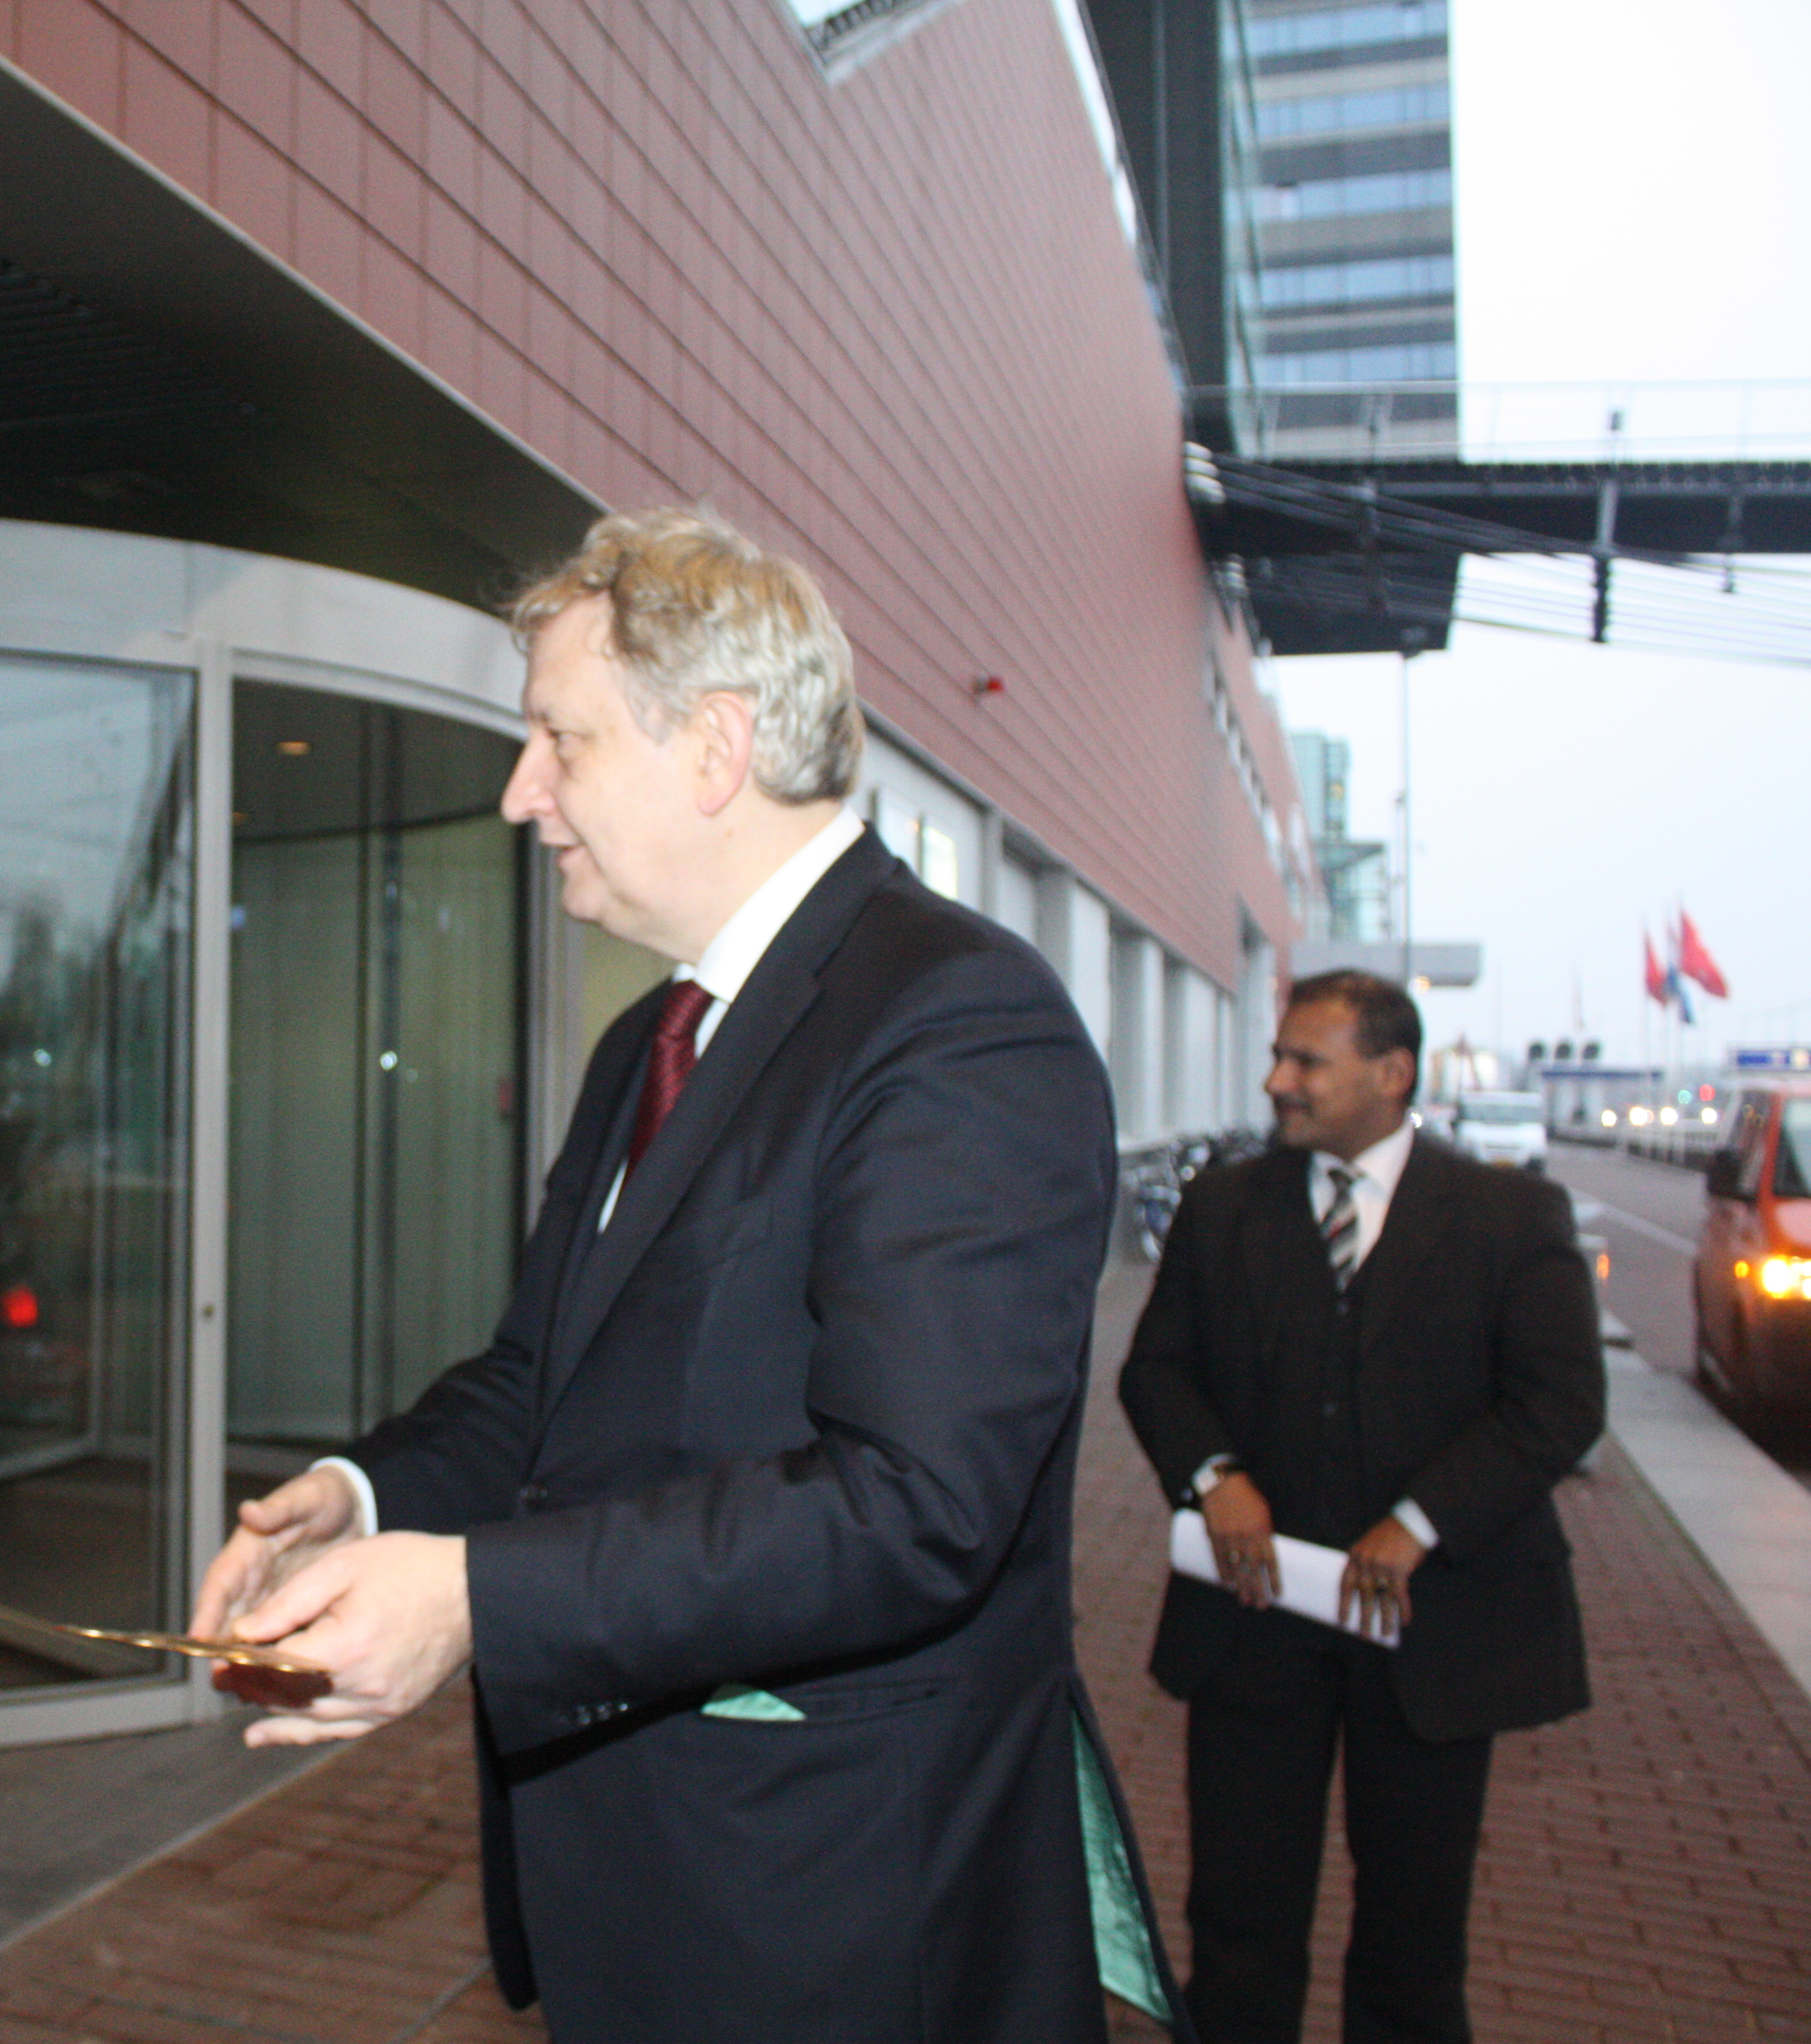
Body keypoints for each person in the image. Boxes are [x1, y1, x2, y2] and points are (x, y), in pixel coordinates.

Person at [192, 508, 1183, 2041]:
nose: (521, 793)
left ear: (715, 748)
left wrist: (473, 1596)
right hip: (646, 1897)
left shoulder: (961, 1022)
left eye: (560, 739)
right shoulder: (647, 1040)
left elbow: (914, 1504)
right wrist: (366, 1493)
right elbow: (545, 1383)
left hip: (840, 1917)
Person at [1120, 970, 1604, 2044]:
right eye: (1278, 1056)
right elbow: (1157, 1371)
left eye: (1307, 1062)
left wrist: (1421, 1521)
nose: (1276, 1081)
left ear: (1393, 1074)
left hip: (1433, 1637)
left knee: (1413, 1946)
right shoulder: (1222, 1207)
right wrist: (1214, 1477)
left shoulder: (1509, 1217)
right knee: (1238, 1927)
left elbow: (1561, 1404)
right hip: (1254, 1624)